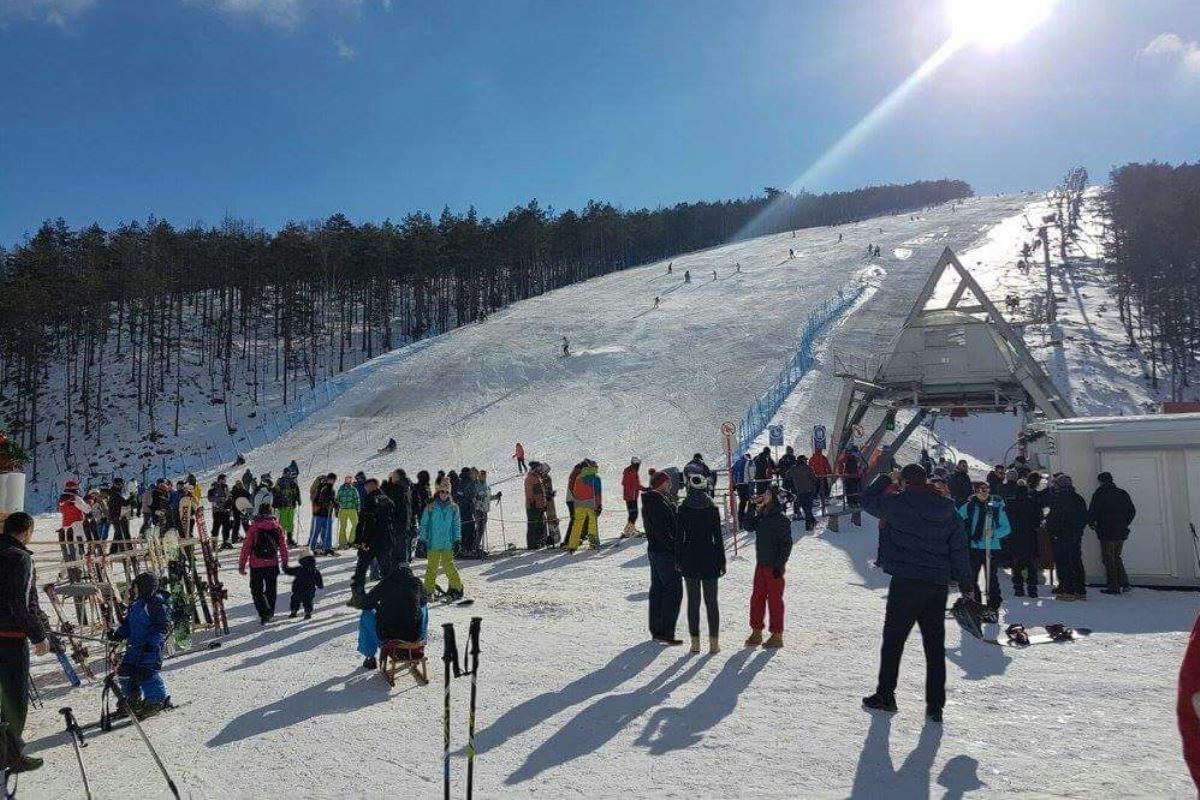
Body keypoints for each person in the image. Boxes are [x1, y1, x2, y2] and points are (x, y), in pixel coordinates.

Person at [860, 465, 972, 722]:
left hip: (906, 581)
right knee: (934, 645)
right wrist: (967, 585)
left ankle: (886, 695)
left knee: (894, 641)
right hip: (936, 584)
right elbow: (959, 549)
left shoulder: (898, 503)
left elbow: (866, 500)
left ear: (904, 482)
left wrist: (887, 477)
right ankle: (935, 706)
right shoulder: (947, 508)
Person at [0, 513, 48, 773]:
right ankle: (11, 756)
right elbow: (22, 603)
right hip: (10, 638)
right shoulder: (20, 558)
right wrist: (38, 635)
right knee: (14, 698)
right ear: (27, 531)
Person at [109, 572, 171, 718]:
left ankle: (156, 700)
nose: (134, 589)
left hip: (150, 648)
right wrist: (118, 635)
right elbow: (129, 624)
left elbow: (162, 628)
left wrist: (152, 643)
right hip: (134, 646)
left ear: (144, 587)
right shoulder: (137, 604)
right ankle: (132, 699)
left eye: (136, 586)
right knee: (125, 671)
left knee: (145, 672)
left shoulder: (155, 604)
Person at [678, 472, 726, 654]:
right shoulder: (712, 508)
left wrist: (678, 559)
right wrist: (722, 560)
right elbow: (718, 538)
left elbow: (679, 539)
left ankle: (695, 643)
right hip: (710, 558)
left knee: (693, 602)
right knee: (711, 602)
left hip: (689, 558)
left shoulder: (683, 509)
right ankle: (714, 644)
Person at [743, 486, 792, 649]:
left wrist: (779, 565)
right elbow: (748, 526)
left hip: (774, 566)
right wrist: (751, 507)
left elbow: (786, 545)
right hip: (761, 564)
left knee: (775, 600)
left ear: (775, 498)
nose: (765, 495)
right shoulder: (763, 515)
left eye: (769, 493)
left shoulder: (781, 519)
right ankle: (756, 632)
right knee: (757, 598)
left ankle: (777, 635)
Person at [360, 564, 428, 670]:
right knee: (424, 607)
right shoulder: (416, 582)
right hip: (413, 636)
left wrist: (378, 606)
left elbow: (366, 603)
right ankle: (418, 645)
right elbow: (423, 601)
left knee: (367, 613)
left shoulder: (386, 583)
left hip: (389, 637)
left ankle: (370, 657)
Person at [642, 471, 682, 646]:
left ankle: (657, 630)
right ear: (661, 483)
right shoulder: (657, 503)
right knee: (673, 590)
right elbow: (663, 531)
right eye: (668, 481)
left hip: (657, 550)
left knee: (658, 589)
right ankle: (665, 631)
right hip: (664, 552)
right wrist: (675, 549)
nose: (670, 484)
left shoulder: (658, 500)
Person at [959, 483, 1011, 611]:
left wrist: (994, 533)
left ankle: (993, 603)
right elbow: (957, 520)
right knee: (971, 577)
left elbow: (1006, 528)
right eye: (980, 490)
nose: (983, 493)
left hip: (991, 547)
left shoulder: (995, 506)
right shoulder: (969, 507)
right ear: (975, 492)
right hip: (974, 546)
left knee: (991, 577)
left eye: (986, 490)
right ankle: (975, 602)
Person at [349, 478, 397, 606]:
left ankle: (358, 596)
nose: (365, 488)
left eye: (367, 486)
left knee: (361, 569)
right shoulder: (388, 500)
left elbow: (369, 522)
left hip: (372, 541)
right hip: (386, 540)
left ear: (373, 486)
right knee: (386, 570)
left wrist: (363, 540)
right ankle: (390, 597)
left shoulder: (370, 499)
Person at [239, 503, 289, 624]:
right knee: (271, 589)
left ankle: (264, 612)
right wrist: (285, 562)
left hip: (257, 564)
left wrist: (242, 565)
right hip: (272, 563)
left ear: (259, 512)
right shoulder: (277, 527)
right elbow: (283, 546)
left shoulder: (254, 527)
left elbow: (246, 547)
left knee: (256, 590)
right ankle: (269, 611)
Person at [1088, 472, 1137, 595]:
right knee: (1116, 556)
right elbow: (1132, 511)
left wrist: (1091, 523)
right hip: (1120, 530)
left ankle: (1113, 586)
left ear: (1100, 481)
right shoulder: (1122, 493)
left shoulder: (1100, 493)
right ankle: (1124, 583)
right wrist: (1124, 523)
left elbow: (1093, 510)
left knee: (1108, 559)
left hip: (1106, 530)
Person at [1046, 474, 1089, 601]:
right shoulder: (1078, 498)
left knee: (1064, 563)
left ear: (1059, 485)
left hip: (1061, 535)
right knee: (1076, 561)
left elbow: (1053, 518)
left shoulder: (1058, 499)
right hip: (1075, 535)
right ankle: (1080, 591)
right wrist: (1079, 531)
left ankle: (1068, 591)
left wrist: (1053, 531)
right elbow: (1084, 517)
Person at [421, 480, 464, 598]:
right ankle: (428, 591)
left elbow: (456, 525)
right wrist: (422, 540)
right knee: (432, 567)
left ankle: (457, 587)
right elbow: (424, 524)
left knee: (448, 566)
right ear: (438, 492)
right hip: (433, 542)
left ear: (449, 493)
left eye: (446, 492)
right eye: (442, 491)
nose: (444, 494)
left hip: (447, 543)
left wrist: (457, 540)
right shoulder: (431, 506)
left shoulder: (454, 508)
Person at [1005, 479, 1044, 598]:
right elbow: (1038, 519)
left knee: (1016, 564)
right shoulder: (1033, 502)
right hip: (1030, 536)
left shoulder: (1010, 503)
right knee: (1031, 564)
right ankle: (1032, 589)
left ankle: (1018, 589)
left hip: (1015, 536)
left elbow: (1006, 519)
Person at [567, 460, 602, 551]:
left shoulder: (579, 476)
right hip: (590, 503)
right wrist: (599, 505)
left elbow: (574, 490)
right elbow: (597, 494)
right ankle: (593, 542)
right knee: (592, 522)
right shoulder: (595, 478)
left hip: (578, 503)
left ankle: (572, 544)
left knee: (577, 524)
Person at [383, 470, 413, 563]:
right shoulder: (406, 486)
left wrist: (387, 483)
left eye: (393, 476)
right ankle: (402, 565)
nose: (391, 477)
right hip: (404, 521)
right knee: (402, 546)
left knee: (398, 547)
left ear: (398, 477)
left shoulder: (398, 488)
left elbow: (388, 498)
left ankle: (401, 566)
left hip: (398, 521)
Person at [283, 554, 323, 620]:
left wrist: (285, 567)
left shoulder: (299, 569)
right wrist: (320, 585)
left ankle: (293, 612)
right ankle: (307, 613)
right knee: (308, 602)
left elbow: (289, 571)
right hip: (309, 590)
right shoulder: (315, 571)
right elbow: (318, 580)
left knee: (295, 601)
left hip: (297, 589)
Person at [786, 455, 817, 530]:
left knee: (805, 508)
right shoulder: (808, 468)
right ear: (803, 461)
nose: (806, 461)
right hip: (810, 490)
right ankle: (809, 525)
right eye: (805, 460)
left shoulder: (793, 468)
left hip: (800, 491)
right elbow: (814, 478)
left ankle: (812, 522)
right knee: (808, 508)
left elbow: (787, 476)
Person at [309, 473, 337, 556]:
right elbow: (318, 499)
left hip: (328, 514)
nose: (332, 481)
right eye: (331, 479)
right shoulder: (322, 488)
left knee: (327, 532)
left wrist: (335, 504)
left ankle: (327, 548)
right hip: (319, 514)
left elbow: (332, 499)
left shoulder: (332, 490)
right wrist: (325, 503)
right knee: (316, 531)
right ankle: (312, 548)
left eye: (333, 480)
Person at [274, 468, 301, 546]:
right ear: (284, 473)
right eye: (287, 473)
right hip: (283, 506)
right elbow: (276, 492)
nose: (288, 475)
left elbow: (296, 491)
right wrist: (277, 501)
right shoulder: (280, 481)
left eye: (289, 473)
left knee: (290, 523)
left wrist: (298, 499)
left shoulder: (292, 481)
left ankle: (289, 539)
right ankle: (280, 540)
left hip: (291, 505)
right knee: (283, 523)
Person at [524, 464, 547, 549]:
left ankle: (539, 541)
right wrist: (532, 502)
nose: (539, 469)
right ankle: (531, 544)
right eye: (538, 468)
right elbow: (529, 492)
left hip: (539, 505)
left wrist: (544, 502)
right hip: (533, 506)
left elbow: (541, 491)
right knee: (532, 525)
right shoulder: (530, 478)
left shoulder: (537, 477)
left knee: (540, 524)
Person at [336, 476, 361, 552]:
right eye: (346, 479)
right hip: (343, 509)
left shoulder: (353, 489)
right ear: (345, 480)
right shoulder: (341, 488)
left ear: (350, 481)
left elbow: (357, 499)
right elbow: (338, 498)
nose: (348, 480)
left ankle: (351, 540)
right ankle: (342, 542)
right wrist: (337, 507)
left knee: (355, 524)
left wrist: (358, 509)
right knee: (343, 526)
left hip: (352, 509)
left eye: (349, 479)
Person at [621, 457, 645, 537]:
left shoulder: (632, 471)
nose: (638, 466)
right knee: (634, 514)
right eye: (637, 464)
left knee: (633, 514)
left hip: (632, 496)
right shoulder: (630, 472)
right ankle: (628, 531)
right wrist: (643, 488)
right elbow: (631, 484)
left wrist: (643, 488)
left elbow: (635, 484)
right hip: (630, 497)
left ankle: (630, 529)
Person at [208, 474, 233, 548]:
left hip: (225, 510)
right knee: (216, 528)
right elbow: (210, 498)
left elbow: (229, 496)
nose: (225, 480)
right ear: (220, 479)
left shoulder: (226, 487)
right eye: (224, 479)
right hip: (217, 511)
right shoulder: (214, 486)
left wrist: (230, 504)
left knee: (226, 527)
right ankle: (214, 544)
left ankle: (226, 542)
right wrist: (219, 499)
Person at [732, 452, 752, 527]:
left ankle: (740, 520)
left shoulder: (737, 462)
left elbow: (732, 472)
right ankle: (748, 518)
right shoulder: (749, 462)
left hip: (738, 485)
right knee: (750, 501)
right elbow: (752, 473)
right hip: (746, 484)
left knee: (742, 502)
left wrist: (734, 484)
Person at [810, 448, 833, 512]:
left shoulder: (812, 458)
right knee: (825, 487)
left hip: (816, 476)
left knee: (816, 488)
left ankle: (815, 500)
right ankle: (825, 500)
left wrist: (811, 474)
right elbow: (827, 465)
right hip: (823, 475)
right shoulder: (823, 457)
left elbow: (810, 467)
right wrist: (830, 472)